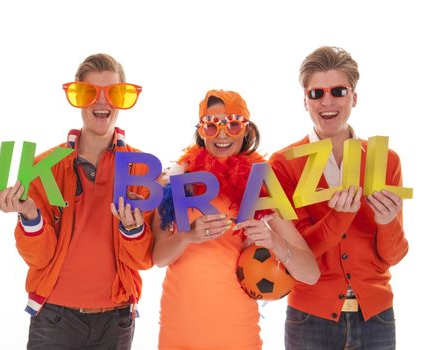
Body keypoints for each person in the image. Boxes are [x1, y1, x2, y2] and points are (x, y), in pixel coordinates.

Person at [0, 53, 153, 350]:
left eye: (113, 93)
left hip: (115, 323)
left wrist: (133, 230)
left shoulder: (141, 169)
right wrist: (29, 214)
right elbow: (38, 258)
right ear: (77, 97)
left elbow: (143, 260)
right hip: (54, 321)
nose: (102, 102)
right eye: (90, 92)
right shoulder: (45, 166)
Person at [153, 89, 320, 350]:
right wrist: (188, 236)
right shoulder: (175, 180)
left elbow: (310, 274)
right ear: (201, 130)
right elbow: (159, 258)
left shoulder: (261, 187)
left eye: (232, 125)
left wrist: (274, 241)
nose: (222, 135)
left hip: (237, 331)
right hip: (178, 328)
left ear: (246, 130)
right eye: (211, 126)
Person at [269, 46, 409, 349]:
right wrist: (339, 216)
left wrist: (387, 223)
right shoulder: (283, 163)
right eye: (316, 93)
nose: (327, 102)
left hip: (377, 317)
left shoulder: (386, 160)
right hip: (310, 318)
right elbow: (301, 254)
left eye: (338, 91)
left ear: (354, 98)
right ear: (305, 101)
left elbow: (394, 256)